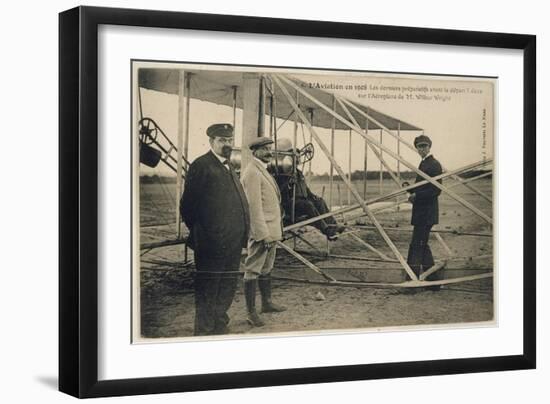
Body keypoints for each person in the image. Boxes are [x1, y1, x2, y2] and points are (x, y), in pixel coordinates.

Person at [180, 123, 250, 336]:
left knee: (227, 287)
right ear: (211, 142)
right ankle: (204, 331)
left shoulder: (229, 166)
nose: (227, 144)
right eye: (222, 140)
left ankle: (220, 324)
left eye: (229, 140)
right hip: (212, 244)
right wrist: (206, 233)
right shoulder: (202, 166)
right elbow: (188, 206)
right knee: (209, 288)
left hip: (232, 242)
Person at [241, 136, 287, 327]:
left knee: (266, 268)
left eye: (270, 148)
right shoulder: (252, 172)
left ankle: (266, 303)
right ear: (256, 152)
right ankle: (251, 313)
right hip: (263, 232)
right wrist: (263, 234)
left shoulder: (262, 170)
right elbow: (253, 207)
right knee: (253, 270)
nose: (270, 152)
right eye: (265, 149)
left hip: (271, 230)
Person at [269, 138, 345, 240]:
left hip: (301, 203)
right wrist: (289, 184)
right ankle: (327, 230)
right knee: (308, 205)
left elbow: (305, 190)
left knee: (319, 201)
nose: (297, 159)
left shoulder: (298, 173)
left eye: (297, 157)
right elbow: (279, 193)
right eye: (294, 158)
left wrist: (313, 196)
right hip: (289, 206)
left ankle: (333, 226)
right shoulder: (281, 174)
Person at [406, 134, 443, 291]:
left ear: (429, 147)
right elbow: (422, 187)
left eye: (424, 146)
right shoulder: (424, 163)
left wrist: (416, 195)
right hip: (422, 213)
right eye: (419, 146)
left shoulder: (433, 164)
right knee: (422, 245)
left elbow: (435, 190)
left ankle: (411, 282)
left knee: (416, 245)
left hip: (426, 213)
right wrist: (409, 187)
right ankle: (433, 281)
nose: (421, 149)